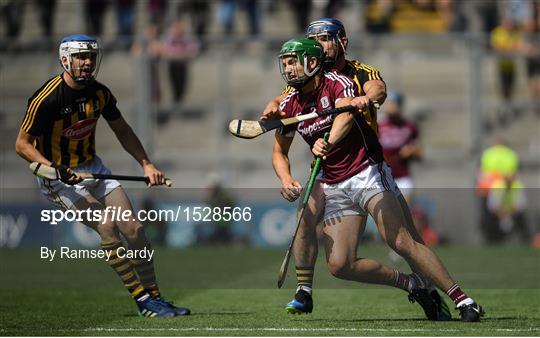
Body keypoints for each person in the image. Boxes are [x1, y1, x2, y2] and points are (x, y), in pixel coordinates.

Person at [271, 37, 484, 322]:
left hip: (365, 171)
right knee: (340, 265)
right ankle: (413, 285)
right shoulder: (289, 103)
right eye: (284, 63)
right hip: (333, 182)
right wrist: (286, 179)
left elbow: (346, 114)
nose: (287, 68)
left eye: (292, 62)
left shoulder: (337, 82)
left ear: (311, 62)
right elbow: (278, 152)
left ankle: (463, 300)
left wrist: (328, 142)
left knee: (399, 240)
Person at [15, 35, 190, 317]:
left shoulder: (100, 93)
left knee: (135, 231)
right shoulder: (47, 98)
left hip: (93, 167)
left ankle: (156, 297)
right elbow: (22, 145)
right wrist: (56, 168)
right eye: (81, 57)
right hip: (58, 177)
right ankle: (142, 300)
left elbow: (122, 130)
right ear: (65, 60)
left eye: (91, 57)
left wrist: (146, 164)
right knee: (107, 226)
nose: (87, 63)